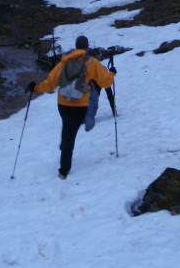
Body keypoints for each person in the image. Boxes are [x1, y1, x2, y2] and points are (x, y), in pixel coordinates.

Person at [26, 35, 116, 179]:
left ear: (75, 46)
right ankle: (64, 170)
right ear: (87, 47)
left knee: (68, 128)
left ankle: (64, 147)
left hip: (63, 104)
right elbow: (105, 83)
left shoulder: (64, 62)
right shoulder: (92, 62)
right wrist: (112, 73)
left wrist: (35, 88)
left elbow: (50, 83)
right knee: (70, 137)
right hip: (80, 106)